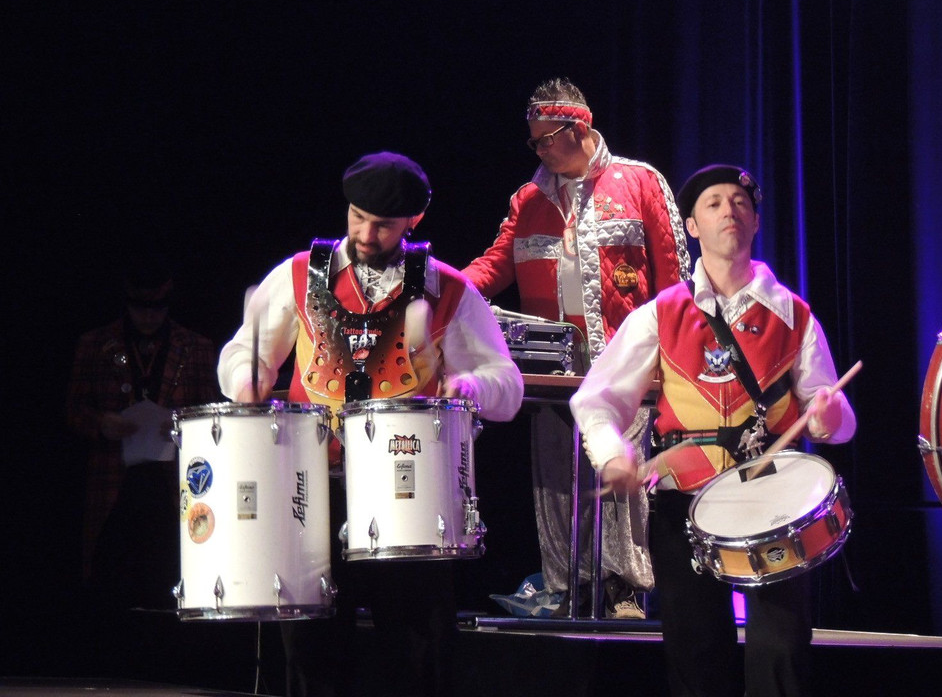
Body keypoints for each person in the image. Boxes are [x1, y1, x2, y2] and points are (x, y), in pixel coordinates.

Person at [218, 151, 524, 697]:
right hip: (311, 490)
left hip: (408, 496)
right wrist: (248, 379)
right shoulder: (298, 276)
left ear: (414, 221)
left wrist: (470, 386)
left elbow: (507, 384)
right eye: (357, 217)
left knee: (415, 650)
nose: (364, 234)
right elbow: (245, 351)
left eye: (382, 224)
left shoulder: (448, 288)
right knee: (310, 652)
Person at [570, 164, 857, 696]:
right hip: (685, 499)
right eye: (715, 203)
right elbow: (597, 399)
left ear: (756, 222)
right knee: (696, 657)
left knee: (781, 651)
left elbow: (838, 420)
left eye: (741, 203)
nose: (730, 211)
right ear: (692, 226)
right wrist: (612, 455)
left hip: (774, 499)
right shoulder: (661, 314)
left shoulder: (794, 315)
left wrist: (826, 414)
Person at [462, 77, 689, 618]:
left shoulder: (640, 182)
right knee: (557, 480)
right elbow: (495, 265)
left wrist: (675, 358)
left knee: (619, 471)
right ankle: (569, 585)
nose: (538, 150)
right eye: (533, 141)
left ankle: (623, 588)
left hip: (626, 364)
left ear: (578, 128)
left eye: (545, 139)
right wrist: (446, 288)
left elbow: (675, 279)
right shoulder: (529, 200)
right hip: (553, 367)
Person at [67, 259, 220, 610]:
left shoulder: (195, 347)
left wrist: (184, 425)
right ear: (127, 303)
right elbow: (73, 410)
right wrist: (101, 423)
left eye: (158, 309)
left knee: (169, 575)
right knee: (110, 580)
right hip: (114, 479)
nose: (149, 317)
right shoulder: (95, 344)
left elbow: (211, 413)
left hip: (173, 483)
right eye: (140, 309)